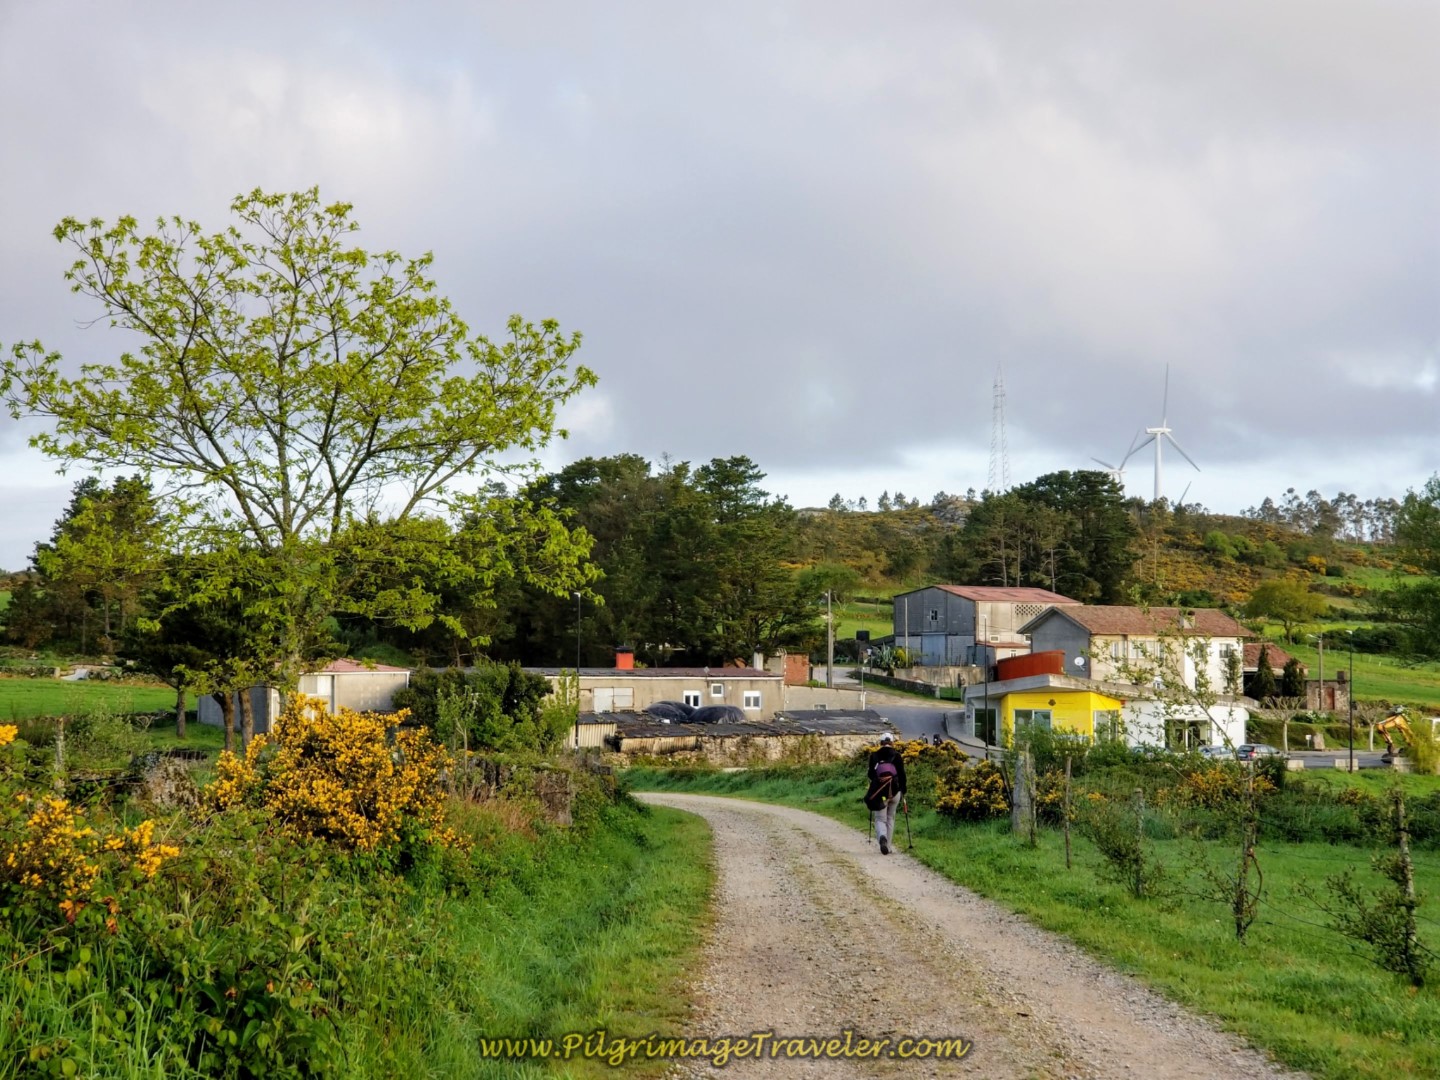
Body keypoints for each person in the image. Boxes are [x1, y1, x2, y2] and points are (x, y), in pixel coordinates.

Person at [864, 732, 907, 855]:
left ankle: (882, 837)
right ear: (892, 743)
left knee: (880, 818)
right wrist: (903, 790)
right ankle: (888, 846)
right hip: (895, 792)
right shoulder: (897, 756)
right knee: (890, 818)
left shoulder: (874, 755)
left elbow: (871, 775)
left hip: (880, 793)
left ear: (881, 743)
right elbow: (902, 775)